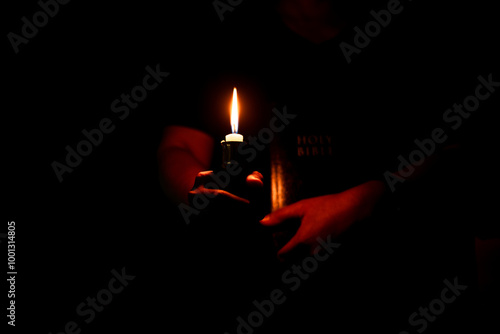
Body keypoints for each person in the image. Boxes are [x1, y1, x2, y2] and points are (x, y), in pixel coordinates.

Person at [157, 0, 497, 332]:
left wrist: (376, 195)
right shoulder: (225, 35)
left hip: (391, 277)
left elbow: (461, 150)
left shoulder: (414, 31)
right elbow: (179, 146)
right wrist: (199, 193)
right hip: (251, 285)